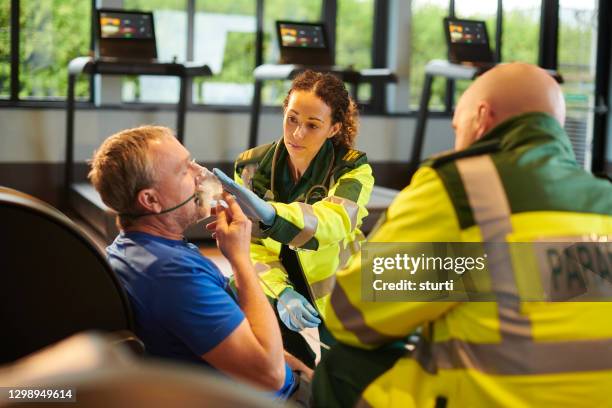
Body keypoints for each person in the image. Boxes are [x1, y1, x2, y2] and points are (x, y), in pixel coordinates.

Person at [312, 63, 612, 407]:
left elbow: (350, 316)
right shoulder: (604, 198)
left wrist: (455, 275)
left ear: (481, 117)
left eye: (457, 126)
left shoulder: (462, 188)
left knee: (341, 366)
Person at [88, 125, 311, 400]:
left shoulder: (132, 250)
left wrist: (300, 370)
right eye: (183, 170)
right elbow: (269, 374)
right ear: (150, 200)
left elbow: (235, 330)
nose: (200, 173)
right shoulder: (172, 274)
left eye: (191, 161)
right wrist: (241, 259)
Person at [213, 70, 374, 368]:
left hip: (338, 290)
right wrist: (281, 291)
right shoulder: (250, 167)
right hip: (276, 281)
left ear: (334, 128)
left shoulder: (353, 169)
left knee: (341, 376)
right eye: (292, 119)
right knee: (282, 366)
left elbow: (333, 222)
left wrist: (273, 215)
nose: (298, 133)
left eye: (313, 125)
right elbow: (251, 246)